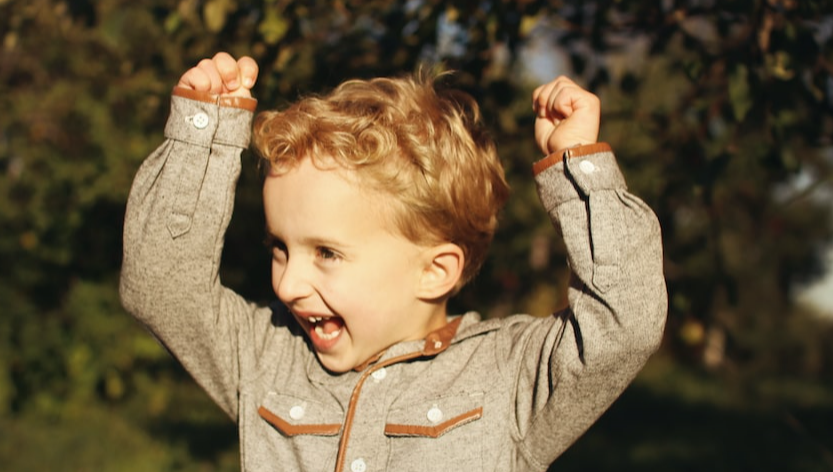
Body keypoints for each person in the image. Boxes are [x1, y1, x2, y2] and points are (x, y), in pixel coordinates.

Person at [120, 52, 667, 472]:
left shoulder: (507, 378)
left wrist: (575, 168)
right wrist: (203, 137)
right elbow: (160, 286)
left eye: (326, 253)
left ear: (435, 271)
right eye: (280, 248)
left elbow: (625, 323)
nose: (287, 285)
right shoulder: (268, 356)